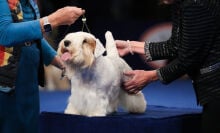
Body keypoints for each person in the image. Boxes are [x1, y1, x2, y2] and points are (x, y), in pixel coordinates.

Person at [115, 0, 220, 133]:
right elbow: (175, 47)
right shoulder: (179, 3)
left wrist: (150, 76)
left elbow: (188, 59)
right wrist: (130, 46)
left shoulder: (195, 4)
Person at [0, 0, 85, 133]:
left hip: (29, 80)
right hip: (5, 83)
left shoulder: (30, 2)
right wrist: (53, 20)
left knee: (30, 127)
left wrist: (61, 63)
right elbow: (4, 34)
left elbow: (34, 36)